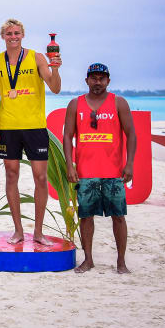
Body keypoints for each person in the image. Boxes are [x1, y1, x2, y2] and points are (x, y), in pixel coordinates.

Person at [0, 19, 61, 244]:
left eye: (17, 33)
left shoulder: (37, 57)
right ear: (3, 36)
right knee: (11, 176)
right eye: (9, 33)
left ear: (23, 35)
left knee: (40, 178)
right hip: (8, 127)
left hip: (34, 126)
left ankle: (38, 232)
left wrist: (55, 69)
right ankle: (18, 231)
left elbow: (55, 87)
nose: (13, 36)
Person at [63, 63, 136, 274]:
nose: (97, 82)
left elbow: (131, 134)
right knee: (86, 217)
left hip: (114, 173)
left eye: (101, 78)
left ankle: (121, 262)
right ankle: (88, 260)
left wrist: (129, 164)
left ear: (108, 81)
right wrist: (70, 164)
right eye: (93, 78)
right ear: (86, 80)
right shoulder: (75, 104)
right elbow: (67, 136)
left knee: (119, 217)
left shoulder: (119, 103)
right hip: (86, 172)